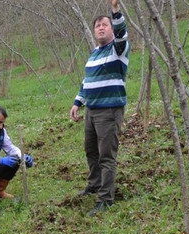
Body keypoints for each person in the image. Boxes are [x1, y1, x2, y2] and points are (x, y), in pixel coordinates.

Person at [69, 0, 130, 217]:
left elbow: (122, 32)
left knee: (106, 156)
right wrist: (78, 102)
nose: (101, 28)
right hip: (91, 111)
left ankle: (106, 198)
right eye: (97, 26)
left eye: (105, 24)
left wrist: (115, 10)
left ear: (111, 28)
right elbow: (87, 82)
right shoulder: (94, 54)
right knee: (91, 151)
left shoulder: (118, 50)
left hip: (109, 111)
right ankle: (94, 184)